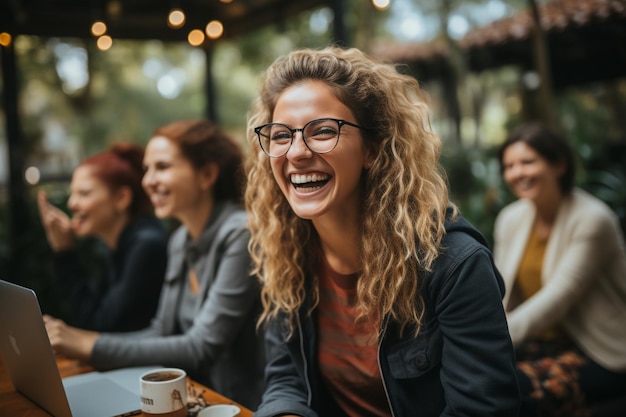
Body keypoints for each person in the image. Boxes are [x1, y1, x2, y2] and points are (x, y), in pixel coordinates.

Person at [244, 46, 520, 417]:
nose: (296, 152)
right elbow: (286, 378)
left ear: (373, 149)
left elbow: (481, 410)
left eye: (323, 131)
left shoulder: (453, 265)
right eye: (280, 135)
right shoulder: (287, 252)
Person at [44, 120, 266, 410]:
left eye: (162, 167)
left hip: (241, 406)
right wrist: (82, 340)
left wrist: (87, 344)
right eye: (147, 169)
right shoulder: (180, 239)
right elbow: (161, 329)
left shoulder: (240, 233)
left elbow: (201, 348)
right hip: (198, 400)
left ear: (207, 174)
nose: (147, 180)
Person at [493, 122, 626, 416]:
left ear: (559, 164)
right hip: (538, 344)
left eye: (528, 162)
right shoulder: (511, 219)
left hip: (599, 350)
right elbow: (502, 294)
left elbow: (557, 299)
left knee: (510, 391)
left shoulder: (592, 219)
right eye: (510, 166)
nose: (518, 173)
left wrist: (491, 337)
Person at [37, 143, 167, 332]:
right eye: (73, 193)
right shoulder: (118, 245)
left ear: (122, 198)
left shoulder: (147, 245)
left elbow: (102, 327)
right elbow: (93, 317)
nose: (72, 203)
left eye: (84, 193)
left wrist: (64, 251)